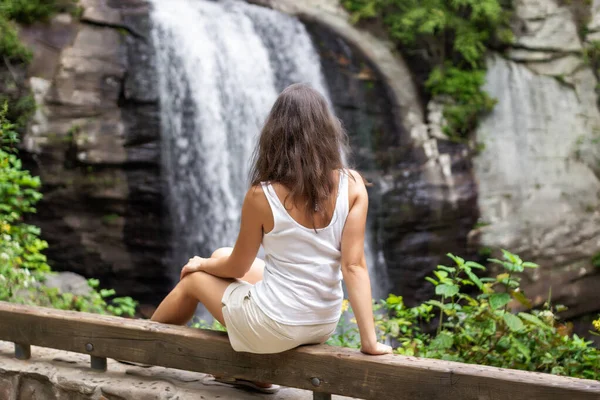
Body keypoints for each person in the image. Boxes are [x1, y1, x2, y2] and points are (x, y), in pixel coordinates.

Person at [151, 83, 393, 393]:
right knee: (220, 252)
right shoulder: (354, 184)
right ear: (327, 131)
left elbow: (237, 268)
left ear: (275, 134)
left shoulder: (261, 195)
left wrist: (200, 265)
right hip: (322, 322)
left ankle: (138, 346)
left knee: (193, 281)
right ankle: (254, 374)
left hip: (277, 323)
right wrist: (369, 342)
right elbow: (354, 266)